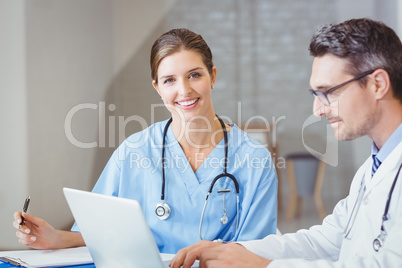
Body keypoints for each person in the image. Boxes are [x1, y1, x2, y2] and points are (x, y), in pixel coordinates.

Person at [13, 28, 278, 254]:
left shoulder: (255, 158)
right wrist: (55, 238)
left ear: (213, 76)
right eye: (169, 80)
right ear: (157, 88)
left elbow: (255, 252)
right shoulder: (133, 151)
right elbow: (97, 232)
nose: (184, 90)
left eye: (195, 75)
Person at [170, 18, 402, 267]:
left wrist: (263, 266)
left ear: (377, 84)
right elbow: (323, 241)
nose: (318, 110)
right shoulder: (373, 168)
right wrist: (232, 249)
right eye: (316, 94)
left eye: (329, 92)